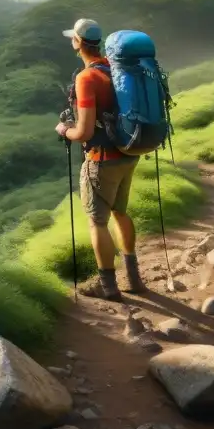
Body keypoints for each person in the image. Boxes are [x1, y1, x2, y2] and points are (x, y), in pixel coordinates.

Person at [54, 18, 145, 302]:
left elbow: (84, 132)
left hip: (101, 159)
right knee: (120, 212)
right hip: (129, 153)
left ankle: (109, 288)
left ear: (78, 43)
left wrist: (64, 130)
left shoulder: (87, 78)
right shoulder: (114, 68)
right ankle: (133, 277)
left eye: (73, 38)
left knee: (97, 222)